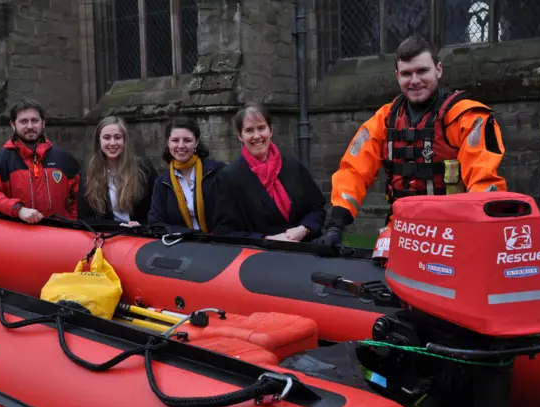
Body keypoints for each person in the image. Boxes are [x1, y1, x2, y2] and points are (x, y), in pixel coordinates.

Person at [314, 35, 508, 249]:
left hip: (452, 230)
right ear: (397, 76)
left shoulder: (467, 118)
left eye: (422, 71)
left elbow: (484, 179)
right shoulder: (385, 119)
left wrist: (482, 231)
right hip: (401, 228)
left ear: (439, 70)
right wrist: (336, 225)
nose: (414, 80)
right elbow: (353, 170)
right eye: (406, 73)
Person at [211, 101, 326, 241]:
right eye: (249, 130)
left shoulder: (292, 165)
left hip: (304, 250)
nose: (257, 136)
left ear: (270, 131)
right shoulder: (228, 178)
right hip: (259, 257)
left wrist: (304, 228)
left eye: (261, 128)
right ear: (240, 136)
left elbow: (317, 208)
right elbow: (223, 231)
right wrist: (266, 239)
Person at [0, 98, 80, 224]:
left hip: (58, 235)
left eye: (35, 120)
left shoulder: (64, 158)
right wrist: (18, 210)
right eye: (24, 121)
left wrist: (72, 222)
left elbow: (80, 197)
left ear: (43, 123)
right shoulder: (0, 160)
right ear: (13, 125)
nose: (30, 126)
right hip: (18, 235)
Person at [147, 117, 226, 233]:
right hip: (182, 246)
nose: (181, 145)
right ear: (168, 142)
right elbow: (155, 222)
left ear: (197, 142)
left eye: (187, 140)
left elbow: (231, 215)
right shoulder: (162, 182)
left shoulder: (217, 172)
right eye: (175, 140)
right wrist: (191, 235)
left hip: (220, 244)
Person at [77, 115, 157, 226]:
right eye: (107, 138)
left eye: (117, 137)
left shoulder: (143, 168)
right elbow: (85, 218)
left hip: (142, 236)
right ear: (98, 141)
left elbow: (157, 210)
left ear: (125, 140)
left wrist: (143, 225)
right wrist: (117, 227)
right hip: (110, 237)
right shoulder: (89, 173)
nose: (112, 143)